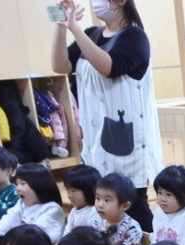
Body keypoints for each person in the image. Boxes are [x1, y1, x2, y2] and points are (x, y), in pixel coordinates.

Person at [51, 0, 163, 232]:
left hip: (125, 137)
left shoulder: (135, 36)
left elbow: (109, 67)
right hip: (96, 139)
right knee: (102, 205)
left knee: (130, 205)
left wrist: (75, 28)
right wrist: (61, 26)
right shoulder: (92, 34)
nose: (94, 3)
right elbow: (60, 65)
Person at [0, 163, 65, 243]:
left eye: (23, 184)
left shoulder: (52, 208)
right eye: (17, 184)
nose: (17, 188)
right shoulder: (21, 204)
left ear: (39, 185)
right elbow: (7, 221)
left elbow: (36, 236)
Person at [96, 172, 143, 245]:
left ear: (125, 206)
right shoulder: (95, 222)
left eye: (107, 200)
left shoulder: (132, 229)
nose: (100, 204)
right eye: (98, 198)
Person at [62, 164, 105, 235]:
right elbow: (67, 233)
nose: (69, 196)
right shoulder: (73, 211)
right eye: (67, 190)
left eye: (73, 191)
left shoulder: (95, 212)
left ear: (89, 190)